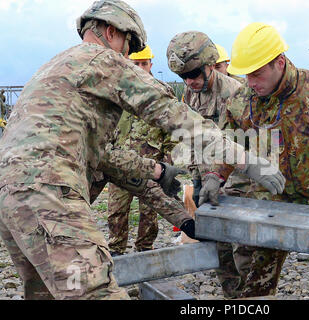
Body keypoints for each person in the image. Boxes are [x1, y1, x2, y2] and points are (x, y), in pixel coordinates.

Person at [0, 0, 285, 300]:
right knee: (94, 291)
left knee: (50, 292)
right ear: (111, 32)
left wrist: (157, 171)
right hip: (49, 194)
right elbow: (175, 116)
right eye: (128, 48)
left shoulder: (55, 68)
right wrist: (246, 160)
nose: (126, 56)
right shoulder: (103, 60)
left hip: (12, 200)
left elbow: (104, 157)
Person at [200, 22, 309, 300]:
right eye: (246, 75)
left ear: (279, 62)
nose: (251, 82)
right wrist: (215, 176)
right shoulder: (243, 99)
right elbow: (230, 142)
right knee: (257, 283)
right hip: (277, 198)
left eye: (257, 74)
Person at [107, 45, 181, 256]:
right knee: (116, 211)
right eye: (135, 63)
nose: (140, 67)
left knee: (149, 212)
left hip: (152, 165)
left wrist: (167, 162)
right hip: (119, 164)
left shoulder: (161, 91)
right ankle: (116, 251)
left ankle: (145, 250)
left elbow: (171, 129)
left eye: (144, 63)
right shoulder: (118, 90)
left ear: (150, 64)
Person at [166, 31, 242, 207]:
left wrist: (218, 177)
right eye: (183, 77)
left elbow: (238, 143)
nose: (189, 82)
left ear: (210, 64)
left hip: (229, 181)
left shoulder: (233, 93)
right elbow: (191, 136)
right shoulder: (191, 91)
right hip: (202, 173)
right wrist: (195, 173)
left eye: (193, 74)